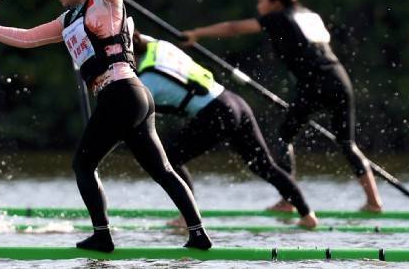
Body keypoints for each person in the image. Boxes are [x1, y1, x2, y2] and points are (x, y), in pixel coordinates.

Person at [0, 0, 212, 252]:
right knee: (162, 170)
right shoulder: (68, 19)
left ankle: (103, 236)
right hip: (133, 97)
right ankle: (198, 234)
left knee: (83, 164)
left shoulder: (106, 2)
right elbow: (26, 38)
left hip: (122, 95)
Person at [180, 0, 383, 212]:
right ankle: (374, 202)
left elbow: (234, 28)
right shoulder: (309, 15)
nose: (258, 6)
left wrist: (197, 33)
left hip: (314, 84)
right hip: (340, 79)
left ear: (275, 3)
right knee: (347, 143)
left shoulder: (277, 17)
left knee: (283, 136)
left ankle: (288, 201)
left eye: (261, 1)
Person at [133, 30, 319, 228]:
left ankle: (188, 217)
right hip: (234, 101)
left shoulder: (146, 81)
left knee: (170, 158)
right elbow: (138, 38)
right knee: (264, 165)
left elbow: (131, 114)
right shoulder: (159, 46)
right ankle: (307, 214)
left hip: (216, 113)